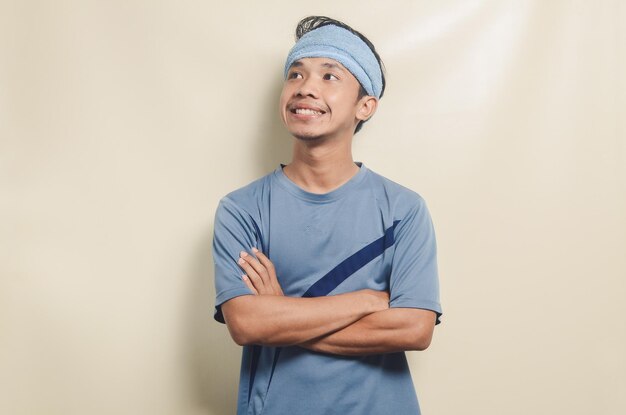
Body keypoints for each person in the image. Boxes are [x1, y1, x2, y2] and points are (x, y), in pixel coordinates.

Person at [212, 15, 442, 415]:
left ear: (365, 106)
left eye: (330, 76)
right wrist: (368, 301)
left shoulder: (403, 210)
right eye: (296, 75)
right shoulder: (242, 209)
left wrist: (281, 313)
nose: (306, 88)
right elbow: (247, 325)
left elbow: (414, 328)